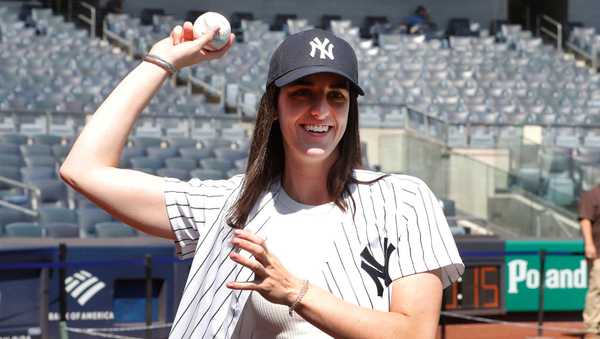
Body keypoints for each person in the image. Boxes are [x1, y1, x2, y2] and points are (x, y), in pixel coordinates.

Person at [60, 21, 464, 338]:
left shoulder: (403, 199)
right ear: (275, 106)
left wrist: (297, 293)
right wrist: (161, 60)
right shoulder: (229, 206)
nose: (320, 110)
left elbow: (415, 331)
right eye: (302, 93)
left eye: (336, 96)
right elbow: (83, 170)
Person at [580, 185, 600, 338]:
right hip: (599, 252)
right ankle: (592, 329)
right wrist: (588, 244)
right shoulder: (592, 194)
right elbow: (586, 220)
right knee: (597, 290)